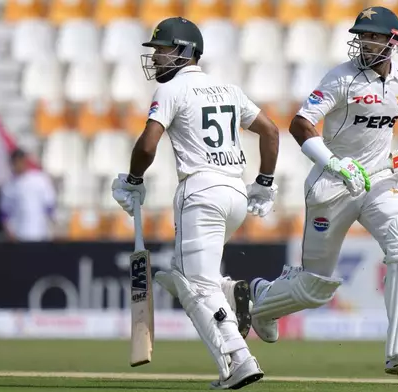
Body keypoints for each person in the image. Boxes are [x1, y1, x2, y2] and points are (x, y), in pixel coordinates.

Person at [247, 6, 398, 376]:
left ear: (393, 41)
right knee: (314, 288)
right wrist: (335, 163)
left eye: (373, 37)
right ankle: (262, 302)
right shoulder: (341, 79)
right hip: (332, 186)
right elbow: (300, 125)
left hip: (380, 181)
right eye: (362, 37)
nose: (365, 43)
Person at [110, 17, 280, 389]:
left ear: (185, 51)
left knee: (193, 285)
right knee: (187, 276)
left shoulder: (171, 91)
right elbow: (270, 130)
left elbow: (147, 144)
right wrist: (264, 182)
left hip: (200, 192)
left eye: (162, 50)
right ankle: (235, 292)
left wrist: (134, 180)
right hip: (235, 193)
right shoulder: (228, 88)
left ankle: (239, 360)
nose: (155, 58)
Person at [0, 148, 56, 241]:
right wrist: (9, 233)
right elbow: (4, 213)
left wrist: (52, 229)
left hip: (40, 234)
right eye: (16, 162)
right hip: (18, 236)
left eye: (21, 161)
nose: (19, 165)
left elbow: (50, 205)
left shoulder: (40, 179)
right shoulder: (8, 186)